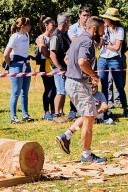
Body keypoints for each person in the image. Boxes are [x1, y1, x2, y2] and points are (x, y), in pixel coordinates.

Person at [55, 16, 107, 163]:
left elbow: (67, 59)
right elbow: (82, 62)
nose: (103, 34)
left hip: (74, 82)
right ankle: (86, 155)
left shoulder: (78, 39)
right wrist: (93, 75)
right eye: (102, 30)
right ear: (95, 29)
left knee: (89, 114)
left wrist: (83, 74)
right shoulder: (87, 41)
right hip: (78, 84)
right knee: (90, 118)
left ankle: (67, 136)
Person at [98, 8, 128, 117]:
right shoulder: (103, 28)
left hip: (114, 59)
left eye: (105, 18)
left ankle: (125, 109)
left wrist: (105, 45)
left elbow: (117, 47)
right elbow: (98, 44)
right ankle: (105, 110)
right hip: (102, 58)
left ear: (110, 20)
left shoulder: (120, 30)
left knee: (119, 85)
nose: (103, 20)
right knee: (103, 85)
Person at [3, 17, 34, 124]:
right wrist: (10, 65)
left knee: (25, 91)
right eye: (28, 25)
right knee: (16, 92)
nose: (30, 27)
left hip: (26, 65)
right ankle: (13, 116)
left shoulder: (27, 35)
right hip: (16, 66)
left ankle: (25, 114)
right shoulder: (14, 37)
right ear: (22, 26)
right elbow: (6, 54)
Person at [50, 13, 78, 121]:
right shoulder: (56, 36)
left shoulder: (64, 34)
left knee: (64, 91)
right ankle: (56, 115)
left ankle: (61, 113)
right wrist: (60, 68)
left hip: (65, 68)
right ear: (65, 22)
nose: (70, 23)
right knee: (60, 91)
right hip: (59, 68)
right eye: (69, 21)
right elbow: (52, 55)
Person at [36, 15, 56, 120]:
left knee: (55, 89)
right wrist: (53, 54)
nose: (54, 26)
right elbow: (44, 51)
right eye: (52, 24)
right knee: (48, 89)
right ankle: (46, 111)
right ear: (46, 25)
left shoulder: (54, 37)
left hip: (54, 64)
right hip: (45, 65)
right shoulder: (41, 38)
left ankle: (54, 111)